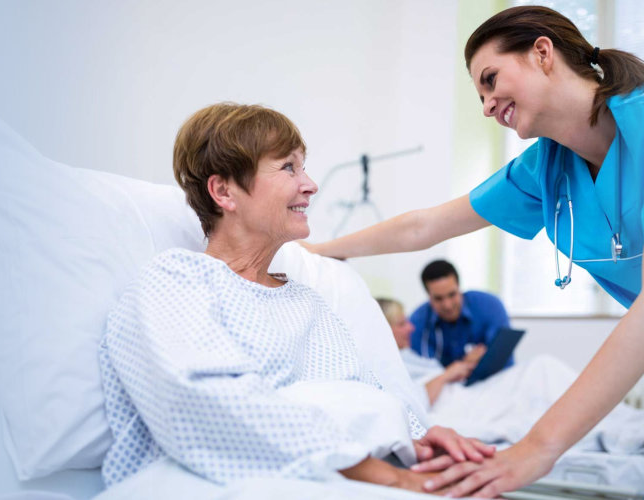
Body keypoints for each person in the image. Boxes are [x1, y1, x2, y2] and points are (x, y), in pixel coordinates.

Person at [306, 6, 644, 499]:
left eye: (491, 80)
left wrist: (536, 447)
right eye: (480, 96)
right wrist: (320, 252)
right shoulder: (547, 171)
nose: (487, 105)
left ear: (541, 52)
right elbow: (426, 226)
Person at [97, 103, 490, 493]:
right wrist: (389, 477)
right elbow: (206, 410)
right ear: (224, 191)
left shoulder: (307, 302)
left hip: (351, 472)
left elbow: (367, 393)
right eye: (288, 167)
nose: (311, 184)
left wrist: (420, 443)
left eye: (303, 166)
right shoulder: (175, 282)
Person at [409, 260, 514, 372]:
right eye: (438, 298)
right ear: (428, 296)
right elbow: (425, 374)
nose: (447, 305)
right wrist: (465, 364)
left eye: (452, 294)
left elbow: (502, 359)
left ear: (459, 287)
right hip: (447, 388)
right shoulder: (417, 322)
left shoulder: (490, 306)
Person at [378, 297, 482, 406]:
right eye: (402, 324)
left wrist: (465, 364)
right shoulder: (387, 367)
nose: (411, 328)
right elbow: (415, 403)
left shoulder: (405, 354)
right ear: (383, 329)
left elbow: (433, 373)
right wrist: (446, 375)